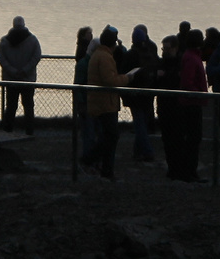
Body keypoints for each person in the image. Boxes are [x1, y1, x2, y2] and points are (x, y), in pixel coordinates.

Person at [82, 26, 131, 179]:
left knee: (108, 136)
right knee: (111, 135)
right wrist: (127, 78)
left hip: (101, 101)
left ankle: (105, 169)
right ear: (113, 43)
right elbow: (110, 80)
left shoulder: (99, 55)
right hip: (105, 102)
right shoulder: (105, 57)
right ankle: (90, 160)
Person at [164, 33, 209, 182]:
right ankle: (189, 172)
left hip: (192, 102)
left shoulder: (191, 56)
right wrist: (199, 94)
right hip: (191, 103)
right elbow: (188, 82)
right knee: (193, 139)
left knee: (192, 139)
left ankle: (188, 171)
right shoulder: (191, 58)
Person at [0, 16, 42, 135]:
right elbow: (36, 56)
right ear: (24, 25)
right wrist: (25, 70)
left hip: (11, 79)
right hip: (28, 78)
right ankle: (29, 130)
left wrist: (12, 71)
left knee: (10, 105)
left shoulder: (4, 41)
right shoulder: (33, 40)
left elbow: (1, 58)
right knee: (28, 105)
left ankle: (7, 129)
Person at [123, 25, 161, 163]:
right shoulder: (150, 53)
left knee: (139, 125)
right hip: (148, 93)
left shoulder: (130, 55)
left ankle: (147, 151)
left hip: (134, 95)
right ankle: (137, 152)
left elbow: (124, 73)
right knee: (142, 123)